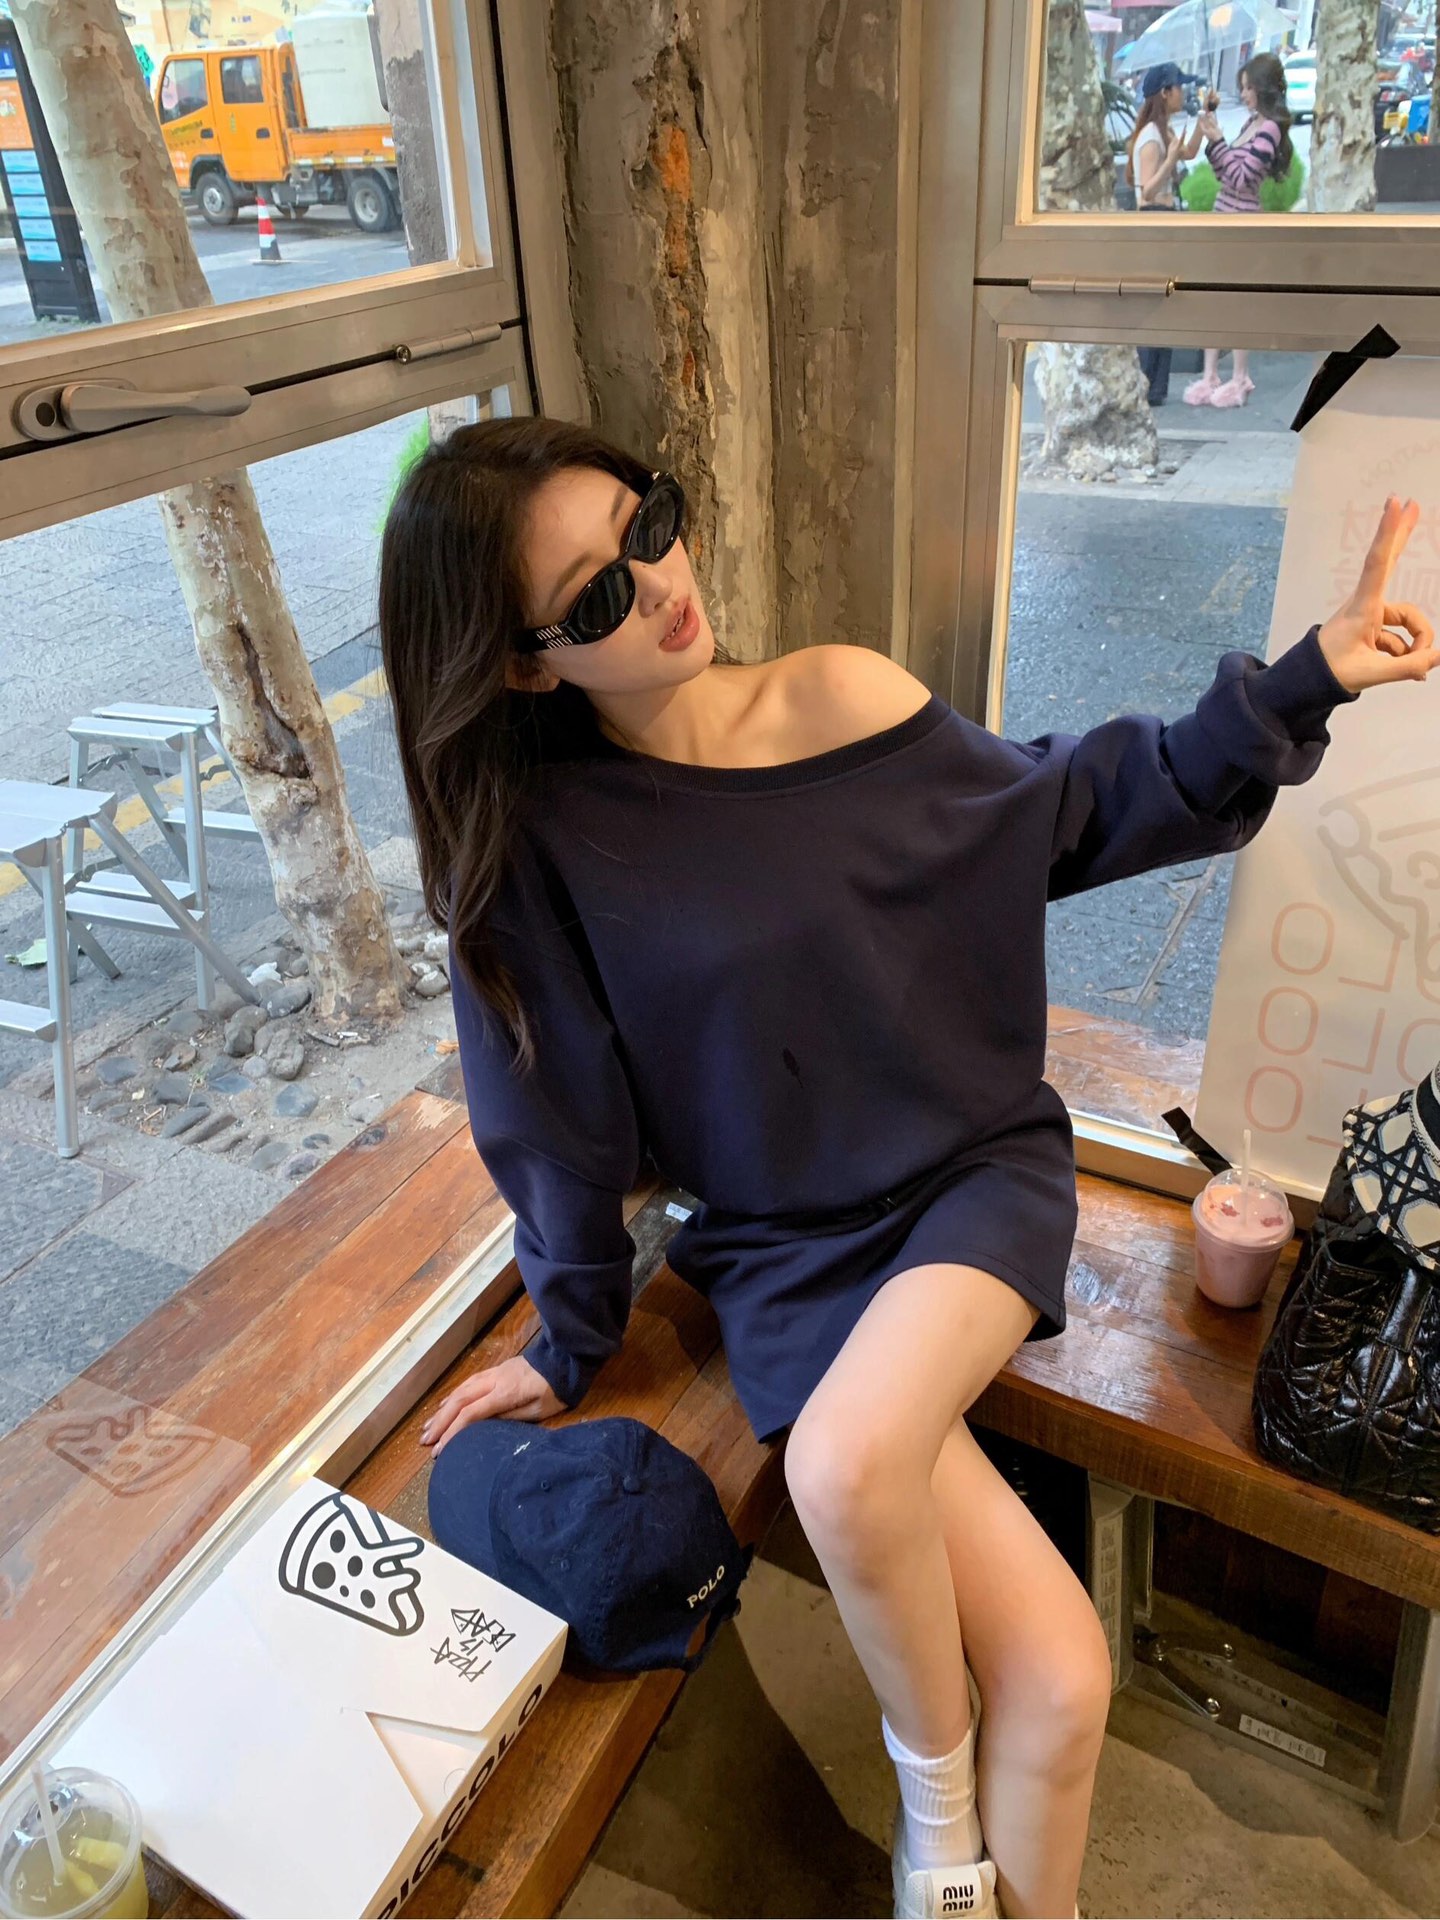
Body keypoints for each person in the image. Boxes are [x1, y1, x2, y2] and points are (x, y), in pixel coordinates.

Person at [379, 417, 1436, 1920]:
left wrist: (1299, 682)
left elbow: (1070, 808)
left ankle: (930, 1844)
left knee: (841, 1461)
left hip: (965, 1182)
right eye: (598, 594)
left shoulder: (841, 695)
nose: (663, 582)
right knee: (1060, 1681)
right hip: (787, 1250)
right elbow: (552, 1131)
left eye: (650, 524)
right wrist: (565, 1341)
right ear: (526, 665)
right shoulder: (546, 849)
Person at [1185, 53, 1295, 407]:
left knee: (1236, 302)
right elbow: (1226, 172)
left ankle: (1239, 377)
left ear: (1263, 88)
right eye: (1243, 88)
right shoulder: (1251, 123)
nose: (1244, 94)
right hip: (1224, 217)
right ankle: (1210, 376)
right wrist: (1214, 140)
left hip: (1243, 224)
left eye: (1248, 88)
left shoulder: (1270, 128)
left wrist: (1218, 142)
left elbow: (1244, 177)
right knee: (1213, 298)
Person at [1127, 62, 1205, 404]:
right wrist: (1171, 160)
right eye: (1178, 87)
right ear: (1164, 92)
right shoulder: (1150, 137)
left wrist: (1204, 118)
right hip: (1153, 220)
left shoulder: (1165, 131)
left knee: (1168, 304)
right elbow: (1146, 191)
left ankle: (1157, 387)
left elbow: (1190, 152)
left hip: (1165, 219)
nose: (1182, 93)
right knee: (1155, 304)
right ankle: (1147, 384)